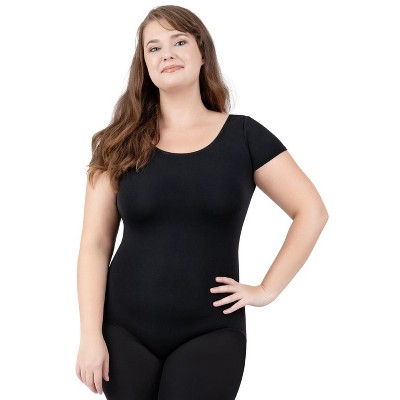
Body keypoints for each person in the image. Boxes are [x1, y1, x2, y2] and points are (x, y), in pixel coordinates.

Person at [75, 5, 329, 400]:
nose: (167, 54)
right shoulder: (117, 143)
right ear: (144, 64)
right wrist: (90, 336)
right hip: (123, 330)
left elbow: (311, 211)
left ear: (202, 52)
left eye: (179, 42)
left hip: (211, 331)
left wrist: (266, 289)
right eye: (154, 48)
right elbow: (95, 244)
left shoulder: (244, 136)